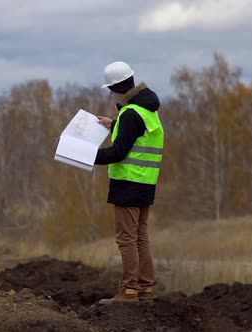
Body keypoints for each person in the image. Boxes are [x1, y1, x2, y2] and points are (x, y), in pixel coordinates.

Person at [94, 61, 164, 304]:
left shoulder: (130, 113)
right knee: (140, 237)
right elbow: (135, 135)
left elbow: (118, 152)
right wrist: (112, 124)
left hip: (128, 183)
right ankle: (144, 289)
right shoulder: (147, 109)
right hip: (145, 183)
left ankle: (129, 291)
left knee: (126, 239)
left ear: (115, 88)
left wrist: (85, 155)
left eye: (110, 89)